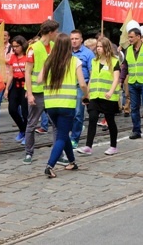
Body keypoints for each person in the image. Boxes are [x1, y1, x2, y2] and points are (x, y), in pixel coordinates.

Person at [39, 33, 88, 178]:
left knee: (63, 132)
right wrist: (86, 95)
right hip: (67, 104)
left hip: (51, 105)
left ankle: (72, 161)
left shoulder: (49, 60)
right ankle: (50, 165)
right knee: (61, 136)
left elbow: (39, 79)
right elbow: (83, 83)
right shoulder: (74, 61)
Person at [23, 20, 60, 165]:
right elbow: (28, 71)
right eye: (56, 31)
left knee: (56, 124)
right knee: (32, 123)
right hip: (37, 92)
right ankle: (28, 153)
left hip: (51, 91)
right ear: (50, 32)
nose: (57, 34)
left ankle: (58, 152)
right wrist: (30, 93)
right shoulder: (33, 48)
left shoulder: (54, 46)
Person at [77, 37, 120, 156]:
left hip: (108, 97)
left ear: (107, 48)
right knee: (92, 118)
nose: (98, 49)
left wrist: (111, 91)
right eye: (97, 47)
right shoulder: (94, 61)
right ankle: (88, 146)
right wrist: (87, 94)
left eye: (101, 46)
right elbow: (92, 78)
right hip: (95, 96)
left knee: (110, 121)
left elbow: (116, 78)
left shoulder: (114, 61)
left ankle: (113, 146)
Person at [120, 28, 143, 140]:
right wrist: (121, 80)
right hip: (132, 82)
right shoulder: (128, 50)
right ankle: (136, 130)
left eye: (131, 37)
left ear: (138, 37)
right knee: (134, 108)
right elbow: (125, 67)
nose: (129, 39)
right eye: (128, 37)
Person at [69, 30, 94, 149]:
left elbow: (92, 72)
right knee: (68, 113)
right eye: (72, 39)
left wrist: (87, 91)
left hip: (81, 86)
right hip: (68, 86)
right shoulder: (67, 52)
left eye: (76, 38)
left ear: (81, 39)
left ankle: (74, 138)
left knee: (78, 114)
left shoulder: (88, 54)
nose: (74, 41)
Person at [5, 35, 29, 143]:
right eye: (13, 46)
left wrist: (29, 89)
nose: (15, 48)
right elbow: (10, 74)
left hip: (25, 85)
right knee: (12, 109)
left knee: (25, 112)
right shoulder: (13, 57)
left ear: (22, 45)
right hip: (15, 84)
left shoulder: (28, 56)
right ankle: (22, 129)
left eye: (17, 46)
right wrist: (6, 89)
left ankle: (27, 134)